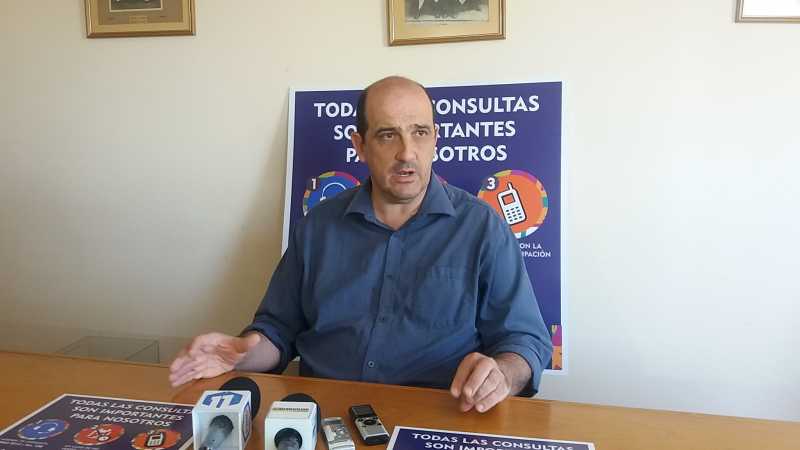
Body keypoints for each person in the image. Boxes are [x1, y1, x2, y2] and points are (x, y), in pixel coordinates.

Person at [169, 76, 553, 413]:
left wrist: (503, 373)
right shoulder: (318, 226)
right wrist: (240, 354)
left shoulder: (482, 227)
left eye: (420, 132)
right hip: (322, 415)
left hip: (436, 416)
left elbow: (526, 341)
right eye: (388, 135)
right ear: (360, 145)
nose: (407, 152)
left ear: (436, 139)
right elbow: (278, 329)